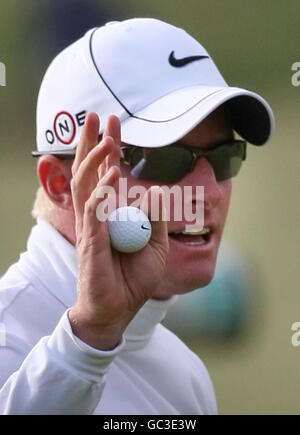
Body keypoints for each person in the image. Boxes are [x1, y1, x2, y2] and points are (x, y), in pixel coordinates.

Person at [0, 18, 274, 415]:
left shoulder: (186, 376)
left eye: (224, 157)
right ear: (60, 183)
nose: (209, 192)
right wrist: (88, 341)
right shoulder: (7, 343)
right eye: (163, 158)